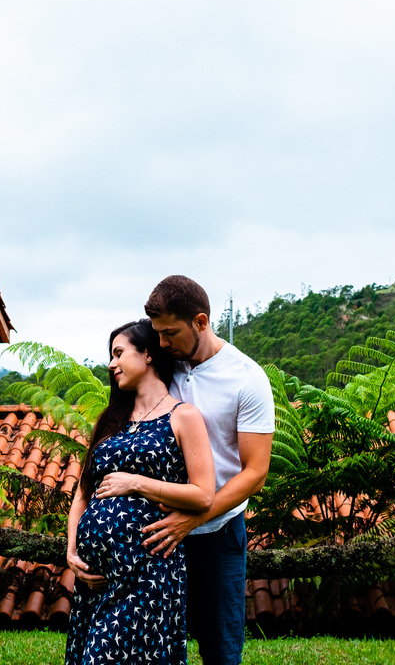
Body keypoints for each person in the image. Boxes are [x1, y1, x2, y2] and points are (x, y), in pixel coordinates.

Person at [141, 275, 275, 665]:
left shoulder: (247, 378)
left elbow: (255, 472)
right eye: (157, 333)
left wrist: (194, 518)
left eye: (170, 333)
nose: (162, 343)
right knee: (156, 647)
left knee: (221, 650)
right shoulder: (161, 367)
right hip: (157, 531)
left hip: (220, 533)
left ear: (201, 322)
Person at [65, 318, 215, 665]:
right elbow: (83, 492)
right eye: (111, 356)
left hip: (147, 573)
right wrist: (71, 551)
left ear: (147, 354)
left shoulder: (183, 417)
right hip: (97, 579)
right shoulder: (111, 420)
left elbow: (203, 494)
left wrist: (136, 482)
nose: (111, 364)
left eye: (119, 353)